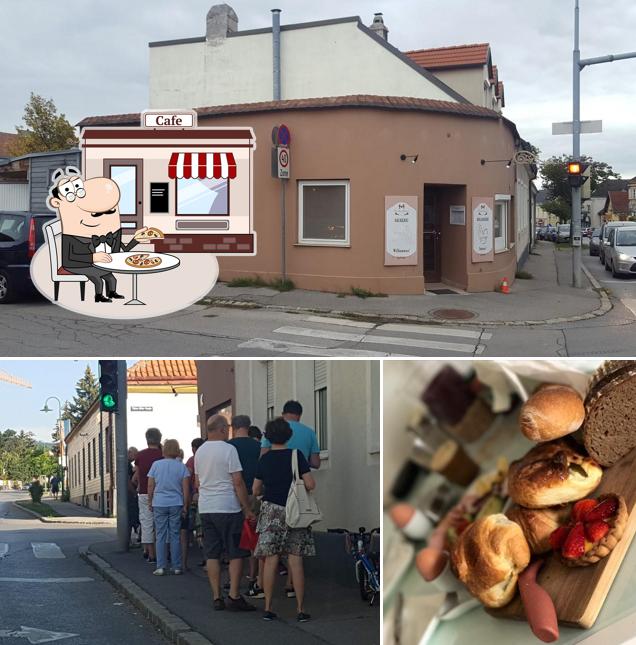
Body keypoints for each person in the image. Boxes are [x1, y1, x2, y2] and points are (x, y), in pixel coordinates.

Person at [46, 167, 147, 302]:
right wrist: (93, 257)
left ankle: (112, 293)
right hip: (75, 264)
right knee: (97, 277)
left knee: (110, 276)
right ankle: (98, 296)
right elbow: (69, 258)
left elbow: (125, 249)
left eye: (110, 211)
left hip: (97, 262)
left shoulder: (110, 234)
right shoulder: (71, 237)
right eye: (95, 214)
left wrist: (137, 239)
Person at [253, 417, 316, 622]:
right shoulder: (296, 456)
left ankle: (269, 607)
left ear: (268, 437)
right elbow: (310, 483)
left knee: (271, 559)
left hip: (271, 511)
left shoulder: (265, 459)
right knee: (295, 561)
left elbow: (255, 489)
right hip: (294, 512)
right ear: (289, 435)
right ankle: (300, 609)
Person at [194, 415, 255, 612]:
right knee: (236, 552)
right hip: (228, 507)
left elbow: (197, 482)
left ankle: (216, 596)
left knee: (212, 553)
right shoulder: (229, 450)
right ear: (221, 429)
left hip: (207, 508)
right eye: (226, 428)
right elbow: (237, 481)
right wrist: (246, 507)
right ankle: (234, 595)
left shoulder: (200, 452)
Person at [260, 400, 320, 595]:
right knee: (296, 554)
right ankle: (292, 588)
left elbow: (263, 457)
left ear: (283, 413)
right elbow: (316, 463)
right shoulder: (309, 432)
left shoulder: (268, 445)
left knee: (271, 554)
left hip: (272, 505)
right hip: (297, 502)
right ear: (299, 415)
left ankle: (266, 598)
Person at [228, 415, 263, 597]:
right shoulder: (258, 446)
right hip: (256, 494)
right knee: (253, 537)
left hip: (234, 496)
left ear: (233, 427)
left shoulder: (229, 446)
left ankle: (234, 579)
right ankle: (253, 576)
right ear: (249, 427)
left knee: (235, 538)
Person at [147, 439, 191, 576]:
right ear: (177, 450)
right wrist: (185, 505)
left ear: (164, 450)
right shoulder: (181, 467)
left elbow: (150, 486)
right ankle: (177, 566)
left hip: (159, 502)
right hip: (176, 502)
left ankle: (160, 566)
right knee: (175, 535)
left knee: (160, 535)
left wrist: (150, 501)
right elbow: (186, 489)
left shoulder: (156, 465)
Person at [134, 428, 163, 563]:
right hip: (161, 492)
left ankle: (150, 553)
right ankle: (162, 552)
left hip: (144, 491)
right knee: (161, 524)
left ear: (146, 439)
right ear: (159, 439)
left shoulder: (140, 455)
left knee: (146, 523)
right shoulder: (163, 454)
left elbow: (139, 475)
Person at [182, 437, 205, 571]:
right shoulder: (209, 458)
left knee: (194, 528)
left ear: (194, 448)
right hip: (208, 496)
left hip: (195, 497)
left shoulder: (192, 460)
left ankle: (204, 556)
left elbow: (188, 476)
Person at [127, 447, 140, 546]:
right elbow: (128, 481)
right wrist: (134, 493)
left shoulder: (128, 464)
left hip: (128, 494)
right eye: (135, 455)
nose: (136, 458)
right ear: (130, 453)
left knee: (131, 518)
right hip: (130, 494)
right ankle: (128, 541)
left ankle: (128, 541)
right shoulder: (126, 464)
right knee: (131, 517)